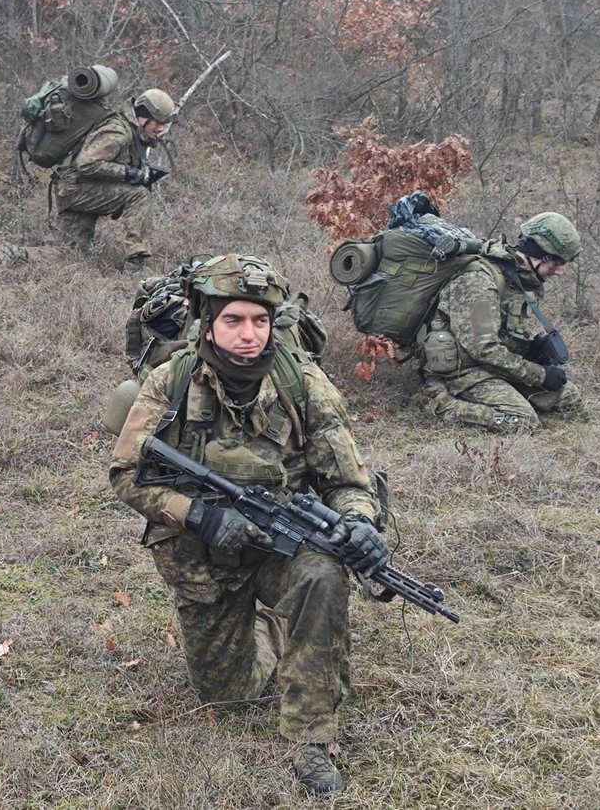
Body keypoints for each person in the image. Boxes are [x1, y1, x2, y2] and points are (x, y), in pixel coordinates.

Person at [109, 254, 387, 795]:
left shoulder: (304, 383)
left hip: (281, 546)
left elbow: (347, 482)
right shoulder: (171, 381)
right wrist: (203, 517)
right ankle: (276, 629)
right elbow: (126, 474)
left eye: (259, 321)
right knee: (227, 696)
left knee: (323, 576)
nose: (248, 334)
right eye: (233, 320)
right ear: (207, 320)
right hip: (203, 560)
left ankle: (312, 738)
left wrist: (359, 522)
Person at [420, 211, 582, 432]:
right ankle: (439, 402)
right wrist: (539, 375)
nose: (561, 271)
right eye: (557, 262)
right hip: (465, 370)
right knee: (523, 421)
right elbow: (483, 349)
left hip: (494, 365)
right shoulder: (479, 281)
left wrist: (530, 348)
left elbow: (501, 334)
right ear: (538, 255)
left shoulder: (516, 277)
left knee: (570, 398)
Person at [50, 88, 174, 273]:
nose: (162, 128)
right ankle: (135, 263)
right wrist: (129, 174)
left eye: (165, 123)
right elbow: (87, 164)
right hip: (77, 190)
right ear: (142, 118)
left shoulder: (133, 131)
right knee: (139, 195)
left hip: (76, 190)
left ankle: (10, 254)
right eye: (158, 122)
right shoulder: (118, 132)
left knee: (68, 254)